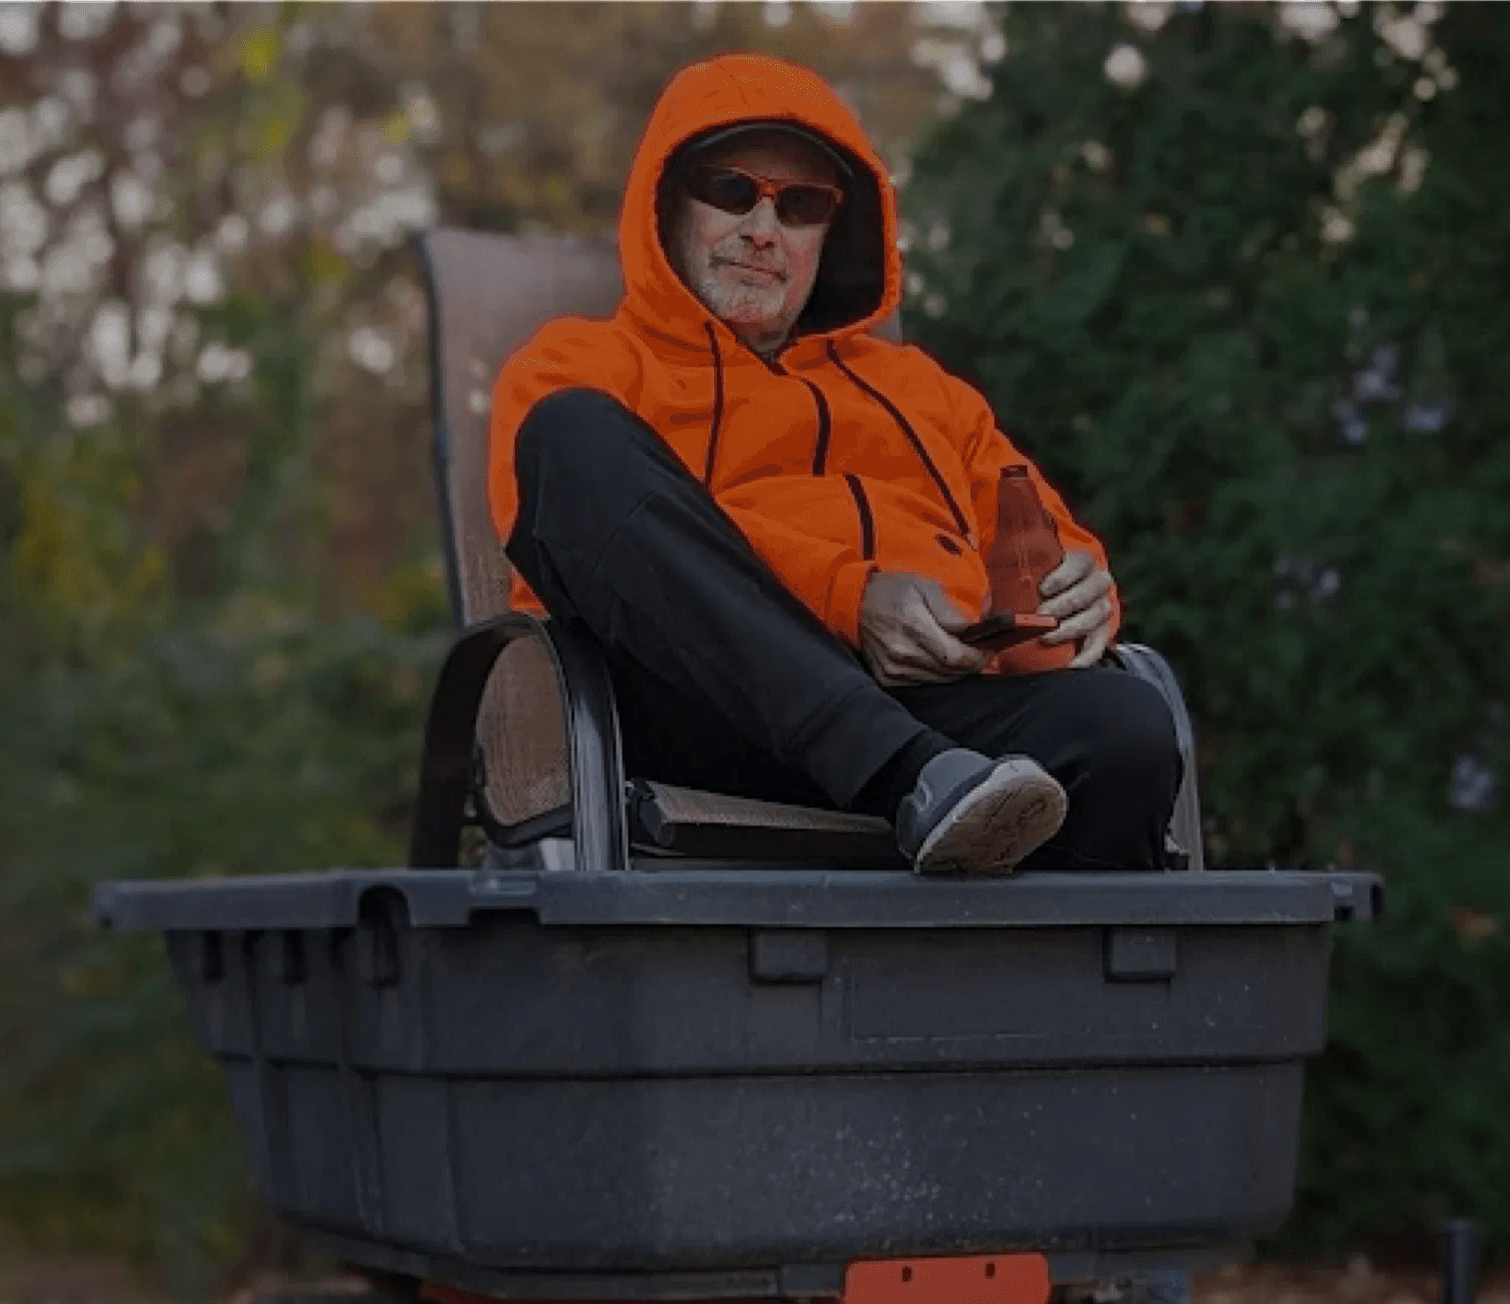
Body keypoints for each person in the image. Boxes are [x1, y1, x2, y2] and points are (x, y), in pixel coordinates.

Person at [483, 54, 1180, 875]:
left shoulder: (921, 388)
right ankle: (906, 777)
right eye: (731, 189)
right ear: (666, 202)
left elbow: (1025, 532)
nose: (763, 228)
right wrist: (851, 598)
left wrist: (1071, 590)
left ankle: (1025, 990)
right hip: (703, 714)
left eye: (802, 204)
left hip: (939, 715)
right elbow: (585, 530)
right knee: (570, 438)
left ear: (833, 233)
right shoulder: (582, 362)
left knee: (1125, 730)